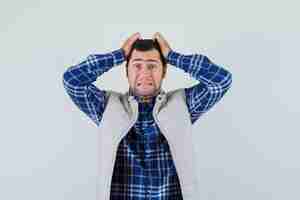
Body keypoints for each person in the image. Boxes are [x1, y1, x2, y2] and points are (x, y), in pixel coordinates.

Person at [62, 32, 233, 199]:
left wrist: (172, 56)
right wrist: (119, 55)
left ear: (164, 71)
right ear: (126, 71)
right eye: (137, 65)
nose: (144, 73)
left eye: (152, 65)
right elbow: (73, 81)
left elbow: (221, 81)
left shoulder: (183, 104)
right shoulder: (106, 105)